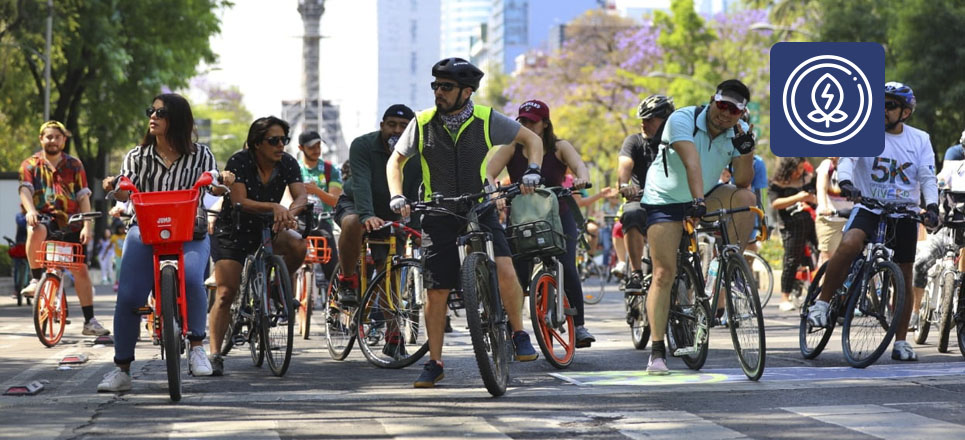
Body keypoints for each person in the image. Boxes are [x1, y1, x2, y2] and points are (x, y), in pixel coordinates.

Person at [387, 57, 543, 388]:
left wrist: (532, 170)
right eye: (435, 86)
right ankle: (435, 362)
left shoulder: (487, 119)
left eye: (446, 87)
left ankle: (518, 333)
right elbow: (395, 161)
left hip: (479, 204)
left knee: (504, 268)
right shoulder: (422, 121)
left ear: (466, 91)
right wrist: (397, 195)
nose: (438, 92)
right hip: (438, 209)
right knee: (437, 288)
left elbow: (533, 141)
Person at [97, 93, 232, 392]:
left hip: (190, 232)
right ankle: (122, 369)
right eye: (152, 111)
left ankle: (197, 347)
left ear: (179, 120)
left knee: (195, 280)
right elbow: (124, 189)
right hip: (144, 231)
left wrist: (223, 183)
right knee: (129, 297)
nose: (153, 117)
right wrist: (114, 186)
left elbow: (214, 183)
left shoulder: (201, 154)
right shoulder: (136, 156)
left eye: (161, 112)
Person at [808, 82, 939, 362]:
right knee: (851, 242)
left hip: (903, 211)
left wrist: (932, 206)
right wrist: (846, 182)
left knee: (904, 274)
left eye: (889, 105)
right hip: (869, 205)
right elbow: (847, 160)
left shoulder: (920, 139)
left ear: (905, 112)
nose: (881, 110)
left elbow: (927, 176)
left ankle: (901, 342)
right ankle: (821, 303)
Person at [641, 80, 758, 374]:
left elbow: (743, 181)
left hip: (704, 195)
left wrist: (746, 149)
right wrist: (696, 201)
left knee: (746, 198)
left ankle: (730, 263)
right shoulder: (684, 118)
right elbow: (691, 161)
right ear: (712, 100)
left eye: (734, 109)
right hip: (665, 199)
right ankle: (657, 351)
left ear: (742, 113)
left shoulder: (735, 133)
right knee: (664, 273)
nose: (726, 113)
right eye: (722, 105)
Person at [207, 116, 308, 375]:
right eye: (273, 140)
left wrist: (289, 214)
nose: (280, 146)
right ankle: (215, 353)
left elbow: (302, 196)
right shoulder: (240, 161)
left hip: (268, 228)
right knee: (226, 292)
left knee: (298, 246)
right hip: (234, 231)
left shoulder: (287, 163)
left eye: (283, 140)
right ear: (256, 143)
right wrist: (276, 207)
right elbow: (239, 200)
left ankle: (277, 286)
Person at [499, 99, 596, 347]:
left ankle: (580, 325)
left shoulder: (559, 146)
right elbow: (489, 171)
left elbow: (579, 167)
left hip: (557, 216)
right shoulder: (512, 146)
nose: (526, 125)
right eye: (522, 120)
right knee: (517, 271)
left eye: (531, 121)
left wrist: (582, 179)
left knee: (566, 265)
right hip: (521, 218)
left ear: (545, 123)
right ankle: (514, 329)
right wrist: (494, 191)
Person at [18, 120, 108, 337]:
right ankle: (35, 278)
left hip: (71, 222)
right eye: (48, 136)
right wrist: (30, 210)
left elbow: (83, 196)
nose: (53, 141)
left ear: (64, 140)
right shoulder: (29, 164)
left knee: (81, 271)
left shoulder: (75, 164)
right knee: (36, 229)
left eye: (57, 137)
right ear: (41, 138)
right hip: (44, 218)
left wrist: (87, 224)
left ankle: (89, 321)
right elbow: (25, 190)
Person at [334, 104, 421, 308]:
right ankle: (347, 281)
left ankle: (393, 333)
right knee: (352, 222)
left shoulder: (418, 154)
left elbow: (418, 191)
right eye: (391, 125)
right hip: (356, 204)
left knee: (389, 269)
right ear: (382, 125)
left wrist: (416, 228)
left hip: (391, 212)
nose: (397, 130)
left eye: (403, 126)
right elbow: (361, 182)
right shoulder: (362, 145)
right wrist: (366, 215)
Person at [617, 95, 675, 294]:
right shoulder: (634, 141)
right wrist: (625, 185)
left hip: (672, 201)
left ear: (666, 120)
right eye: (642, 119)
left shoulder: (677, 143)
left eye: (649, 119)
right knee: (631, 213)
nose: (643, 123)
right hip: (641, 199)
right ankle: (635, 273)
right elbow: (625, 164)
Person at [769, 157, 818, 311]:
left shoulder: (809, 179)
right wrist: (798, 198)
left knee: (818, 257)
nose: (799, 172)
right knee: (791, 260)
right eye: (797, 169)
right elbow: (775, 203)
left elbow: (818, 197)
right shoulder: (778, 183)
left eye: (802, 168)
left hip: (811, 223)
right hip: (790, 226)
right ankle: (785, 296)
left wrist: (811, 200)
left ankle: (817, 295)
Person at [298, 131, 342, 283]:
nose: (316, 150)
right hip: (298, 221)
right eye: (311, 147)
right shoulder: (295, 169)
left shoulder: (331, 170)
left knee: (332, 266)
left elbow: (335, 200)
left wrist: (316, 191)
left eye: (318, 146)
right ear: (301, 148)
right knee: (286, 258)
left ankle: (335, 299)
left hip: (322, 222)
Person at [814, 157, 852, 266]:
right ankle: (825, 283)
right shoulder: (827, 166)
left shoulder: (855, 165)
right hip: (830, 219)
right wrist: (823, 207)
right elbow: (821, 188)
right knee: (828, 258)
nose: (831, 157)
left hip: (852, 217)